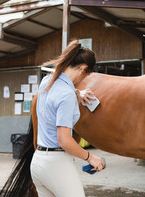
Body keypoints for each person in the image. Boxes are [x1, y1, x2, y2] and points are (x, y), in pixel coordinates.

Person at [30, 40, 105, 197]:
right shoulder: (66, 95)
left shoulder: (46, 81)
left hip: (38, 163)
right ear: (83, 68)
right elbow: (63, 140)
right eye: (86, 75)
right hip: (56, 164)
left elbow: (58, 92)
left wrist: (78, 92)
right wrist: (90, 157)